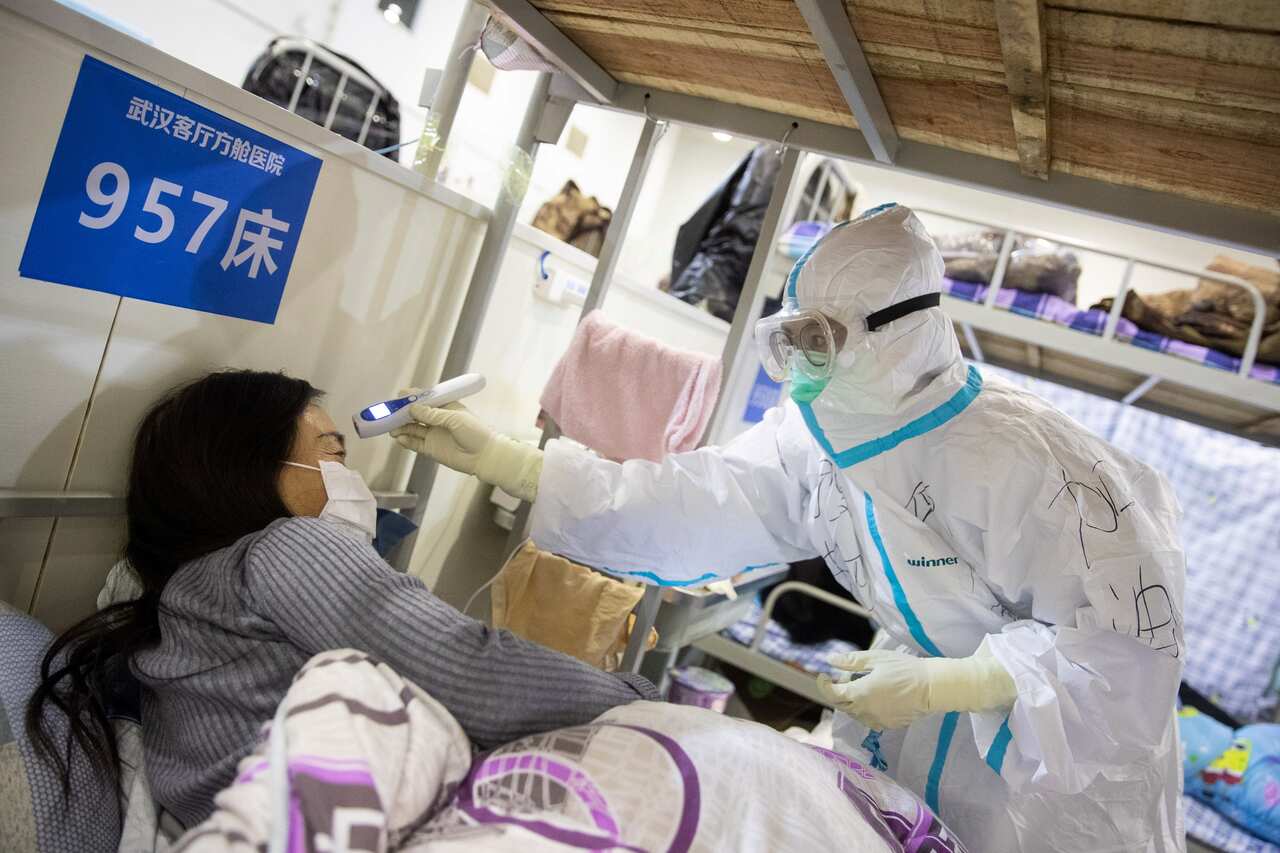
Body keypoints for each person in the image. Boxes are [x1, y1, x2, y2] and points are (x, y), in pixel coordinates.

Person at [394, 204, 1187, 852]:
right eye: (798, 333)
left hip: (1060, 787)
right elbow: (700, 503)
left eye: (823, 337)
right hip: (912, 747)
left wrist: (964, 681)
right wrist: (516, 464)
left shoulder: (1030, 460)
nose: (804, 360)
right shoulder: (821, 433)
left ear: (896, 330)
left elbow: (1126, 651)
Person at [27, 370, 657, 830]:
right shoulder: (289, 547)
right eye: (333, 454)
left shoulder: (178, 599)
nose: (350, 480)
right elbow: (470, 667)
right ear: (250, 472)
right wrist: (646, 705)